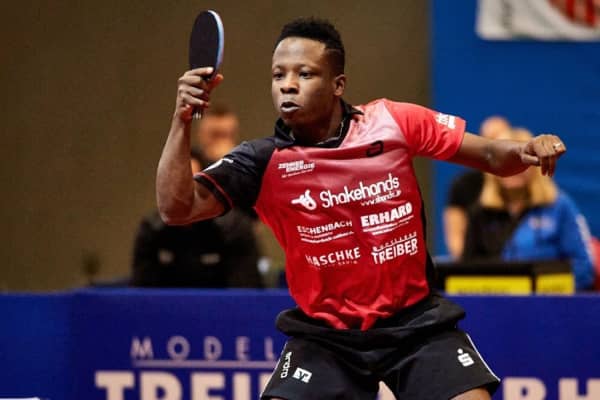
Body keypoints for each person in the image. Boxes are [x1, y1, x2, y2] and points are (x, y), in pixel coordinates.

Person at [156, 17, 567, 400]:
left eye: (305, 74)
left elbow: (491, 155)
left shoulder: (393, 122)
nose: (288, 85)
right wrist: (181, 119)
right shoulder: (260, 161)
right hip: (326, 337)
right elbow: (176, 208)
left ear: (338, 84)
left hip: (416, 325)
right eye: (279, 75)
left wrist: (524, 150)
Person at [461, 128, 595, 291]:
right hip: (496, 300)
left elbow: (583, 266)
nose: (513, 168)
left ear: (536, 165)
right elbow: (466, 269)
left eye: (520, 161)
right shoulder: (481, 211)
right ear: (494, 169)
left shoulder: (559, 206)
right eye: (508, 161)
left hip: (550, 299)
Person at [132, 155, 263, 288]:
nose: (182, 193)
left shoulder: (233, 228)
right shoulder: (152, 229)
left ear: (206, 187)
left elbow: (244, 292)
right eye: (176, 183)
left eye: (190, 183)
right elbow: (142, 293)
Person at [443, 116, 511, 258]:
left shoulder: (519, 181)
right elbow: (455, 237)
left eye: (502, 141)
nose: (497, 147)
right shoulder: (464, 184)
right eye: (491, 140)